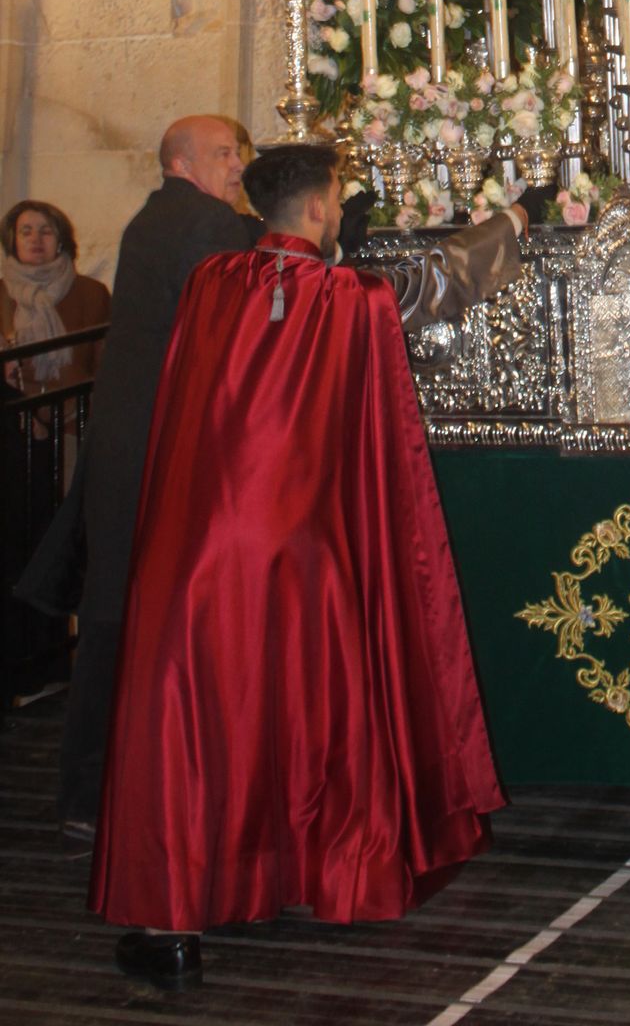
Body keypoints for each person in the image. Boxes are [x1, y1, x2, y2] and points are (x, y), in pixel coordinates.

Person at [92, 142, 505, 985]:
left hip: (199, 548)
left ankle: (174, 922)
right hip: (304, 551)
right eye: (337, 197)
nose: (339, 208)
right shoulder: (347, 298)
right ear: (318, 207)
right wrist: (511, 225)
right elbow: (435, 286)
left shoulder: (211, 283)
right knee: (304, 710)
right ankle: (322, 868)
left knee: (200, 721)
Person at [17, 115, 255, 838]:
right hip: (153, 449)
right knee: (125, 617)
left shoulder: (158, 219)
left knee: (116, 615)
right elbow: (266, 277)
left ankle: (95, 791)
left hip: (130, 446)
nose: (236, 166)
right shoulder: (201, 220)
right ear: (180, 163)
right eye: (223, 154)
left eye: (240, 155)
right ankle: (99, 795)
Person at [0, 201, 110, 396]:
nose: (36, 239)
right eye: (26, 232)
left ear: (60, 242)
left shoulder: (92, 293)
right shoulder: (2, 294)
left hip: (78, 409)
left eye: (46, 232)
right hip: (17, 411)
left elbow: (107, 365)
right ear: (13, 242)